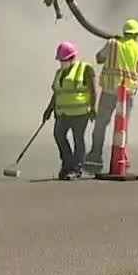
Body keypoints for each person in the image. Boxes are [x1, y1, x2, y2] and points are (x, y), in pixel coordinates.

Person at [85, 18, 138, 173]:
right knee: (123, 127)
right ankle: (122, 156)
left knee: (100, 124)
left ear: (124, 32)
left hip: (110, 91)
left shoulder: (112, 44)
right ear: (137, 35)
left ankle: (95, 154)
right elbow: (137, 68)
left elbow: (99, 58)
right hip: (127, 95)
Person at [43, 41, 97, 180]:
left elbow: (93, 90)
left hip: (80, 113)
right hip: (62, 113)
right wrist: (49, 109)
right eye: (61, 60)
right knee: (58, 135)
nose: (62, 62)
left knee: (78, 139)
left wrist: (93, 108)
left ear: (73, 57)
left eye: (65, 59)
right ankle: (67, 163)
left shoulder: (85, 69)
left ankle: (76, 168)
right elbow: (57, 93)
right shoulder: (59, 72)